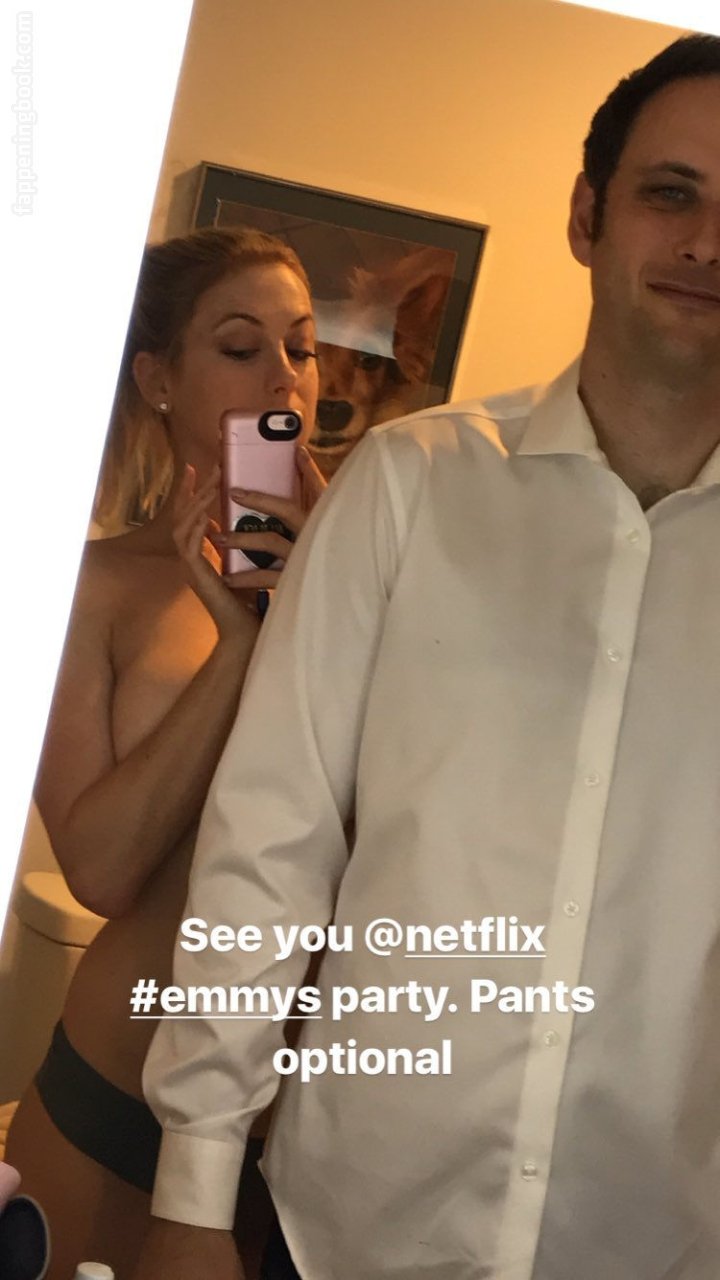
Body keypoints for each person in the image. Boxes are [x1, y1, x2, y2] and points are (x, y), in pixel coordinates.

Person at [137, 33, 720, 1280]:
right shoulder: (410, 486)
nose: (708, 244)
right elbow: (272, 839)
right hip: (348, 1226)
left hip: (655, 1239)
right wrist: (194, 1181)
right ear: (588, 215)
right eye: (673, 193)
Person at [4, 225, 325, 1280]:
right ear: (158, 380)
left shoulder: (370, 579)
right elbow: (98, 869)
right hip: (117, 1102)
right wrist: (240, 643)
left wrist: (337, 569)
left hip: (307, 1141)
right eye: (240, 346)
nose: (284, 376)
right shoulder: (90, 588)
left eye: (302, 346)